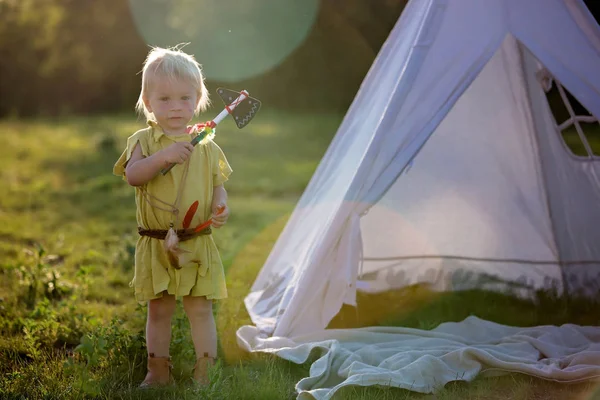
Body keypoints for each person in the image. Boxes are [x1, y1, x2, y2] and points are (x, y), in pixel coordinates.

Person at [113, 45, 232, 387]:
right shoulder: (144, 141)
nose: (176, 107)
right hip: (157, 242)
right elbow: (134, 175)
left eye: (184, 98)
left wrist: (220, 206)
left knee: (199, 309)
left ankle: (206, 372)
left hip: (195, 240)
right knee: (160, 310)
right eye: (164, 99)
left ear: (197, 100)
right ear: (148, 102)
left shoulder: (206, 143)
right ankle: (158, 371)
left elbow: (217, 184)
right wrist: (165, 155)